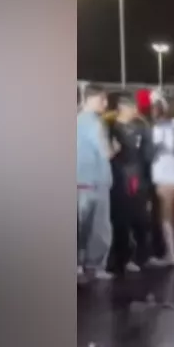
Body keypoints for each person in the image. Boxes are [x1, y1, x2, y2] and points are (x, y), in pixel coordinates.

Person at [109, 94, 155, 275]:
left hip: (138, 178)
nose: (136, 111)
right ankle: (122, 258)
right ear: (123, 108)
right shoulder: (111, 127)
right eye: (133, 107)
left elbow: (148, 152)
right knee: (121, 218)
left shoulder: (141, 127)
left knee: (141, 218)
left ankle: (141, 256)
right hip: (121, 178)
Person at [77, 84, 114, 281]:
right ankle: (95, 266)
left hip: (79, 181)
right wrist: (115, 147)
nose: (106, 104)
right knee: (99, 228)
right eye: (102, 99)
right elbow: (106, 151)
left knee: (79, 226)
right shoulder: (95, 123)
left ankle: (78, 265)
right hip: (96, 181)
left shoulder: (75, 120)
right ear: (90, 99)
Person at [150, 93, 174, 267]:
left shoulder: (159, 128)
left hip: (165, 174)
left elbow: (153, 149)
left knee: (166, 216)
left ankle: (171, 255)